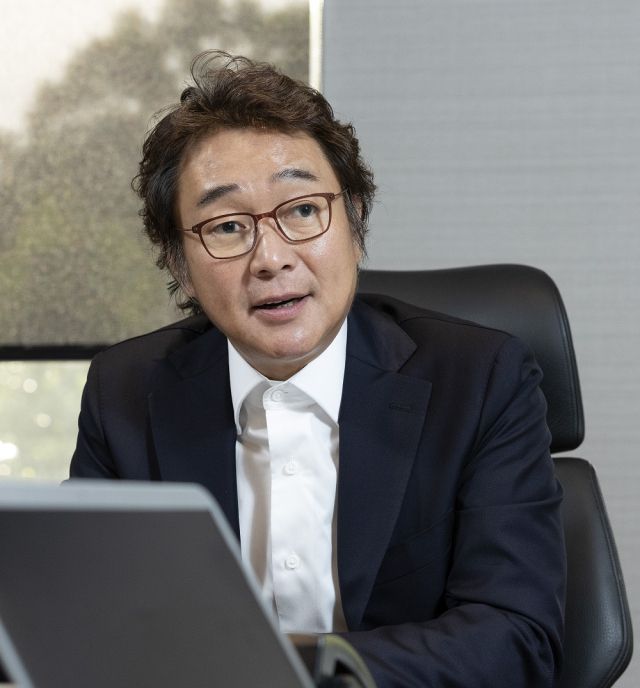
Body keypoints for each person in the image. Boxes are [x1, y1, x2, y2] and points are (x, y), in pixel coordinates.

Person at [70, 51, 565, 687]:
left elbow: (514, 636)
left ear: (355, 221)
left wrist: (296, 672)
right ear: (177, 263)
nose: (271, 258)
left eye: (303, 210)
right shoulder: (125, 393)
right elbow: (88, 624)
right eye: (227, 226)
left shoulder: (480, 380)